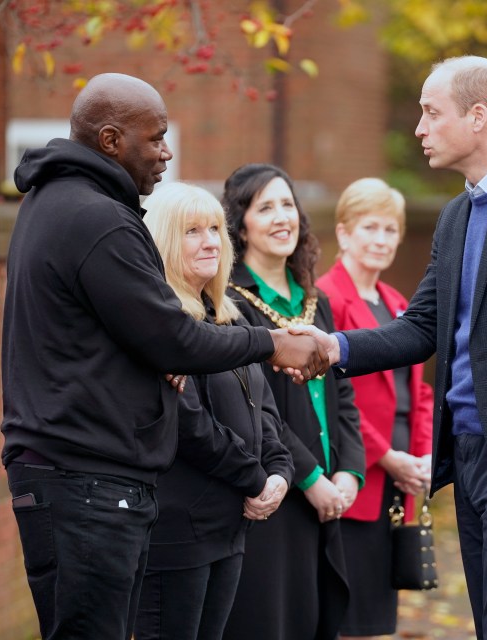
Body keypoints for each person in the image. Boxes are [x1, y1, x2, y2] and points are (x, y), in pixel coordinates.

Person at [0, 73, 327, 639]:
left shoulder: (54, 205)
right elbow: (173, 337)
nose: (165, 152)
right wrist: (274, 342)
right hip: (86, 479)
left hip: (78, 474)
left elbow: (146, 338)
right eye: (154, 138)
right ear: (109, 140)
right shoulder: (96, 219)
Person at [297, 56, 487, 638]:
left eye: (431, 113)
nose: (419, 128)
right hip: (464, 455)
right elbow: (420, 328)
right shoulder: (456, 214)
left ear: (479, 117)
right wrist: (333, 346)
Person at [131, 182, 294, 640]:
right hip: (178, 533)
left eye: (216, 229)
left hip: (230, 528)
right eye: (192, 231)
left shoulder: (231, 315)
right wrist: (255, 480)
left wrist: (279, 471)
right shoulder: (163, 323)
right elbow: (190, 425)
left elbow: (265, 410)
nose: (210, 241)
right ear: (163, 239)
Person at [220, 164, 366, 640]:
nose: (282, 217)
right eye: (265, 207)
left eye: (288, 205)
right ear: (240, 224)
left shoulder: (314, 301)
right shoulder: (229, 305)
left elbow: (343, 393)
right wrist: (310, 478)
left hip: (328, 490)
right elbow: (256, 409)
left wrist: (348, 470)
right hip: (275, 490)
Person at [315, 178, 434, 639]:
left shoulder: (399, 304)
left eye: (390, 230)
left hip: (400, 483)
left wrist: (422, 458)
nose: (382, 240)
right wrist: (386, 456)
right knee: (351, 617)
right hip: (356, 475)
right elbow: (333, 398)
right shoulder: (325, 299)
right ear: (343, 233)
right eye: (371, 227)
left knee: (380, 619)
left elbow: (418, 393)